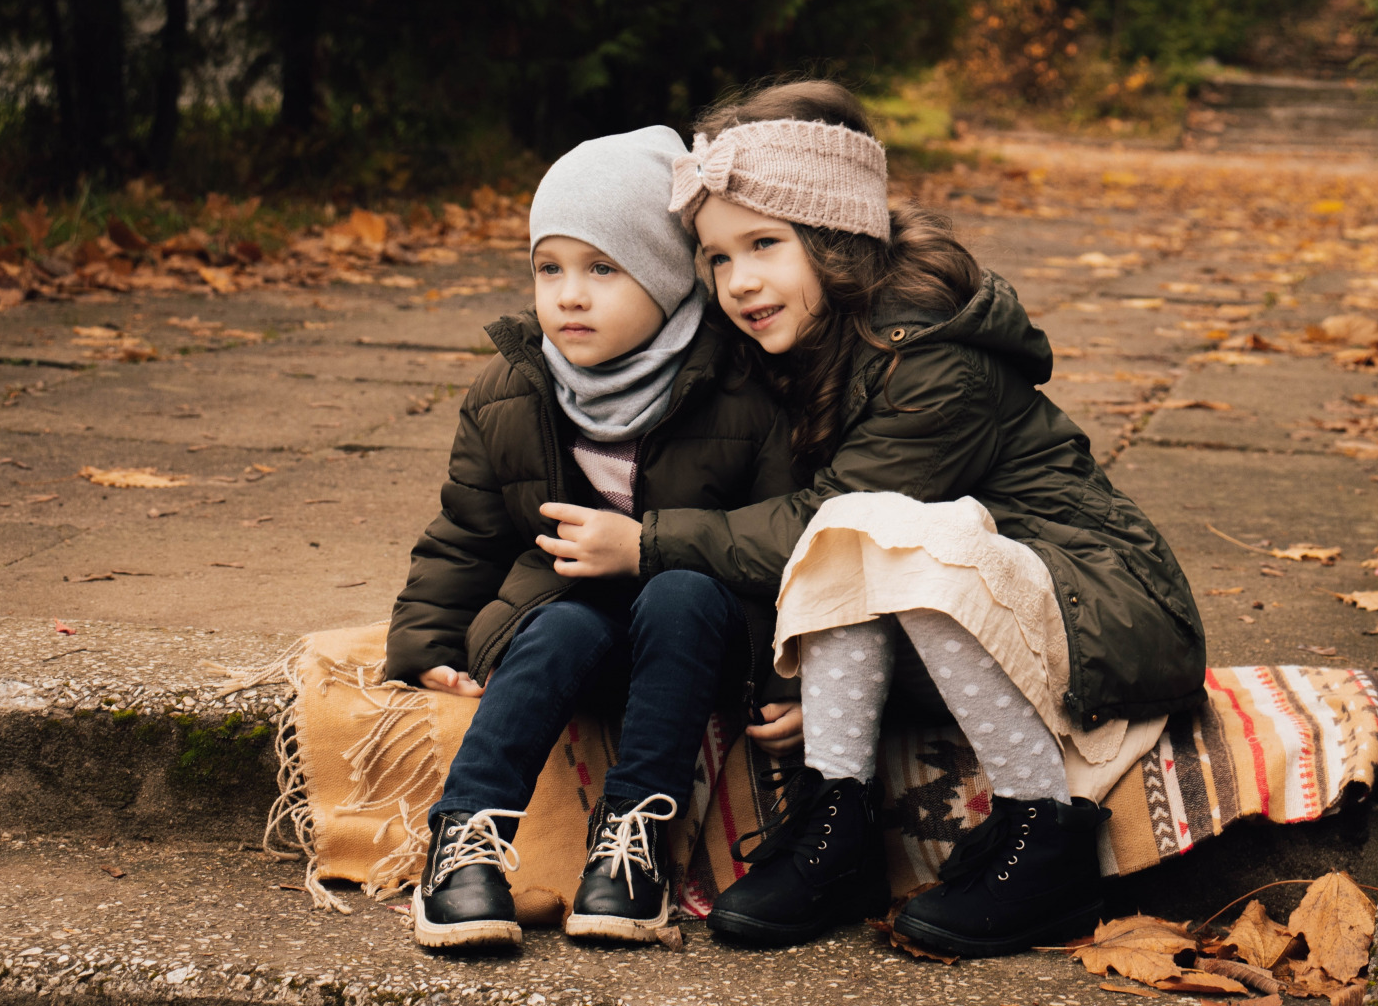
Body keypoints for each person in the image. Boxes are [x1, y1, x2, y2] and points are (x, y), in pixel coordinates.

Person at [534, 81, 1207, 958]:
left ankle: (1044, 839)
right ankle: (837, 828)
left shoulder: (932, 359)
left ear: (837, 238)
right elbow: (807, 542)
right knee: (861, 546)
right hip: (960, 606)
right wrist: (792, 675)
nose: (740, 282)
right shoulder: (805, 338)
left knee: (870, 530)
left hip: (1103, 606)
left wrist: (648, 542)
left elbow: (822, 520)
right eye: (718, 258)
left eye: (764, 245)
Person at [383, 126, 795, 949]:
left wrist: (796, 667)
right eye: (550, 268)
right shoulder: (512, 388)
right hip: (575, 631)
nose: (569, 295)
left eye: (603, 269)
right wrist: (425, 638)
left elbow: (789, 543)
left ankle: (630, 852)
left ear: (671, 275)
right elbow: (467, 531)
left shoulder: (743, 387)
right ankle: (464, 845)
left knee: (681, 591)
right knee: (563, 620)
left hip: (698, 641)